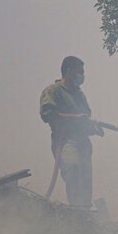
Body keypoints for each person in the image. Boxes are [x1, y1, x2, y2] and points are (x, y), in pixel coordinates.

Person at [40, 56, 103, 208]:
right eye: (80, 72)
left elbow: (84, 119)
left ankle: (85, 211)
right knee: (73, 170)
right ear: (69, 71)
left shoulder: (79, 94)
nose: (82, 76)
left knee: (85, 177)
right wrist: (74, 117)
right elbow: (48, 114)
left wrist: (93, 128)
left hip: (83, 143)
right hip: (65, 142)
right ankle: (76, 211)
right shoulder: (53, 91)